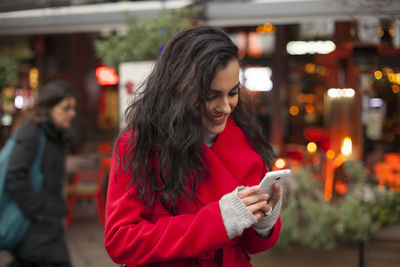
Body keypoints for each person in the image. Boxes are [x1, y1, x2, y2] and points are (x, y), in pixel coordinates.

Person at [105, 26, 282, 267]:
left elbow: (250, 246)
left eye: (232, 93)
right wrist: (218, 221)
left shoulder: (247, 141)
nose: (226, 107)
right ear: (178, 87)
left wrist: (264, 223)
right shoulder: (139, 144)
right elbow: (120, 240)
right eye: (211, 95)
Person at [6, 80, 76, 267]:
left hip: (49, 224)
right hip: (37, 226)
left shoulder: (57, 134)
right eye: (66, 107)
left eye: (73, 108)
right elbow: (14, 175)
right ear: (49, 107)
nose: (72, 113)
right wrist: (38, 211)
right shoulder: (33, 132)